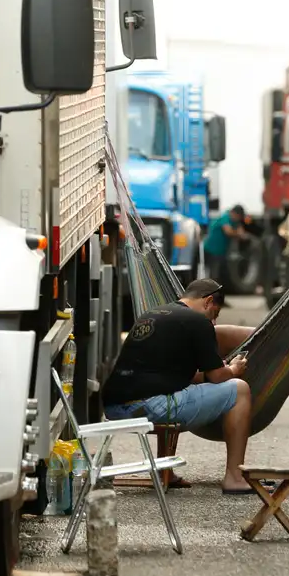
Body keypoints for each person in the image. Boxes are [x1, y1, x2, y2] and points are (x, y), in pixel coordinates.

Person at [102, 278, 254, 494]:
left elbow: (181, 376)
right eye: (215, 315)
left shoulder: (152, 314)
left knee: (175, 391)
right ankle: (234, 477)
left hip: (115, 409)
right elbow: (219, 377)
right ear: (208, 302)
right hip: (151, 408)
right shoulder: (198, 322)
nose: (214, 322)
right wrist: (234, 369)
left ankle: (165, 470)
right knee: (239, 390)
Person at [202, 205, 246, 294]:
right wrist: (238, 234)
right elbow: (228, 231)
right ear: (234, 213)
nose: (238, 219)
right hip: (212, 250)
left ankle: (219, 297)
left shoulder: (234, 220)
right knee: (214, 275)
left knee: (222, 275)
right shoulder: (225, 217)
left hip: (220, 252)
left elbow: (241, 230)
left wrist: (239, 232)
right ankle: (212, 297)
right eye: (238, 217)